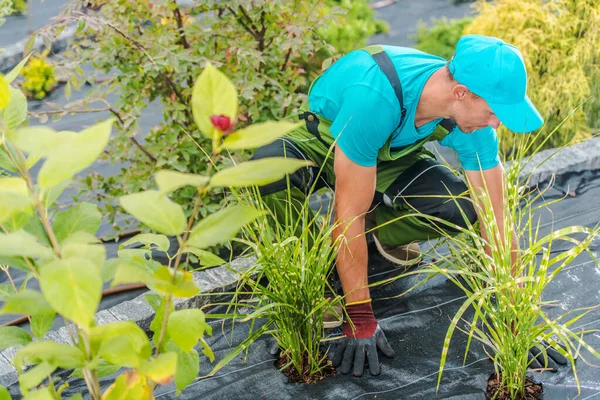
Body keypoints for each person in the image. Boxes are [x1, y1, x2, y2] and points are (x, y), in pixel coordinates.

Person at [251, 34, 566, 377]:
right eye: (493, 112)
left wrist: (515, 317)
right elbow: (348, 214)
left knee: (465, 209)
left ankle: (377, 236)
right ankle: (312, 271)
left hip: (392, 152)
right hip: (327, 137)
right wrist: (360, 315)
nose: (496, 123)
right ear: (461, 92)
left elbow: (497, 220)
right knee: (268, 170)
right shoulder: (372, 97)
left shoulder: (470, 118)